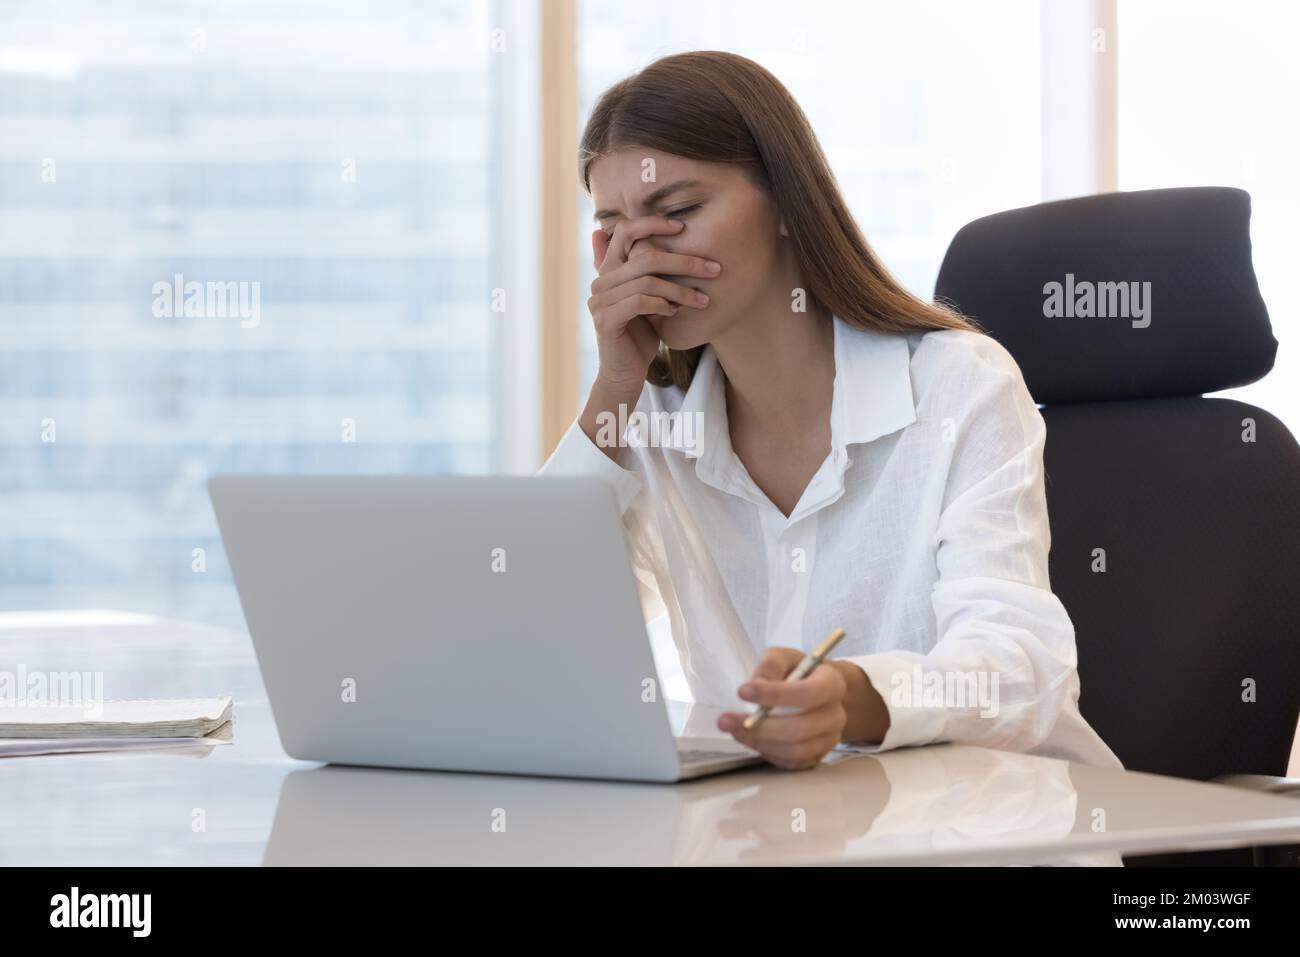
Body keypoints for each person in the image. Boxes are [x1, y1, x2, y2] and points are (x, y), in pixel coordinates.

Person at [542, 50, 1121, 773]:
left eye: (678, 212)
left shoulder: (956, 385)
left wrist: (856, 697)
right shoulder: (654, 418)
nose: (641, 256)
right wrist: (613, 390)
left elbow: (1018, 667)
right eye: (613, 227)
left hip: (987, 830)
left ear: (786, 205)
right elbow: (538, 641)